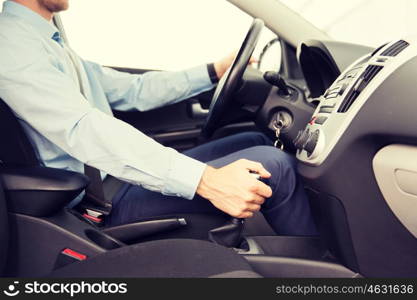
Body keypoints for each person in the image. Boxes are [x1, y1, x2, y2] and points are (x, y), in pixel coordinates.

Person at [0, 0, 317, 236]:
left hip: (115, 179)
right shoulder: (12, 43)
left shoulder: (50, 43)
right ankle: (323, 276)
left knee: (255, 140)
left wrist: (214, 70)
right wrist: (206, 181)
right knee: (275, 167)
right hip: (96, 204)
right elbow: (81, 128)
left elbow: (133, 90)